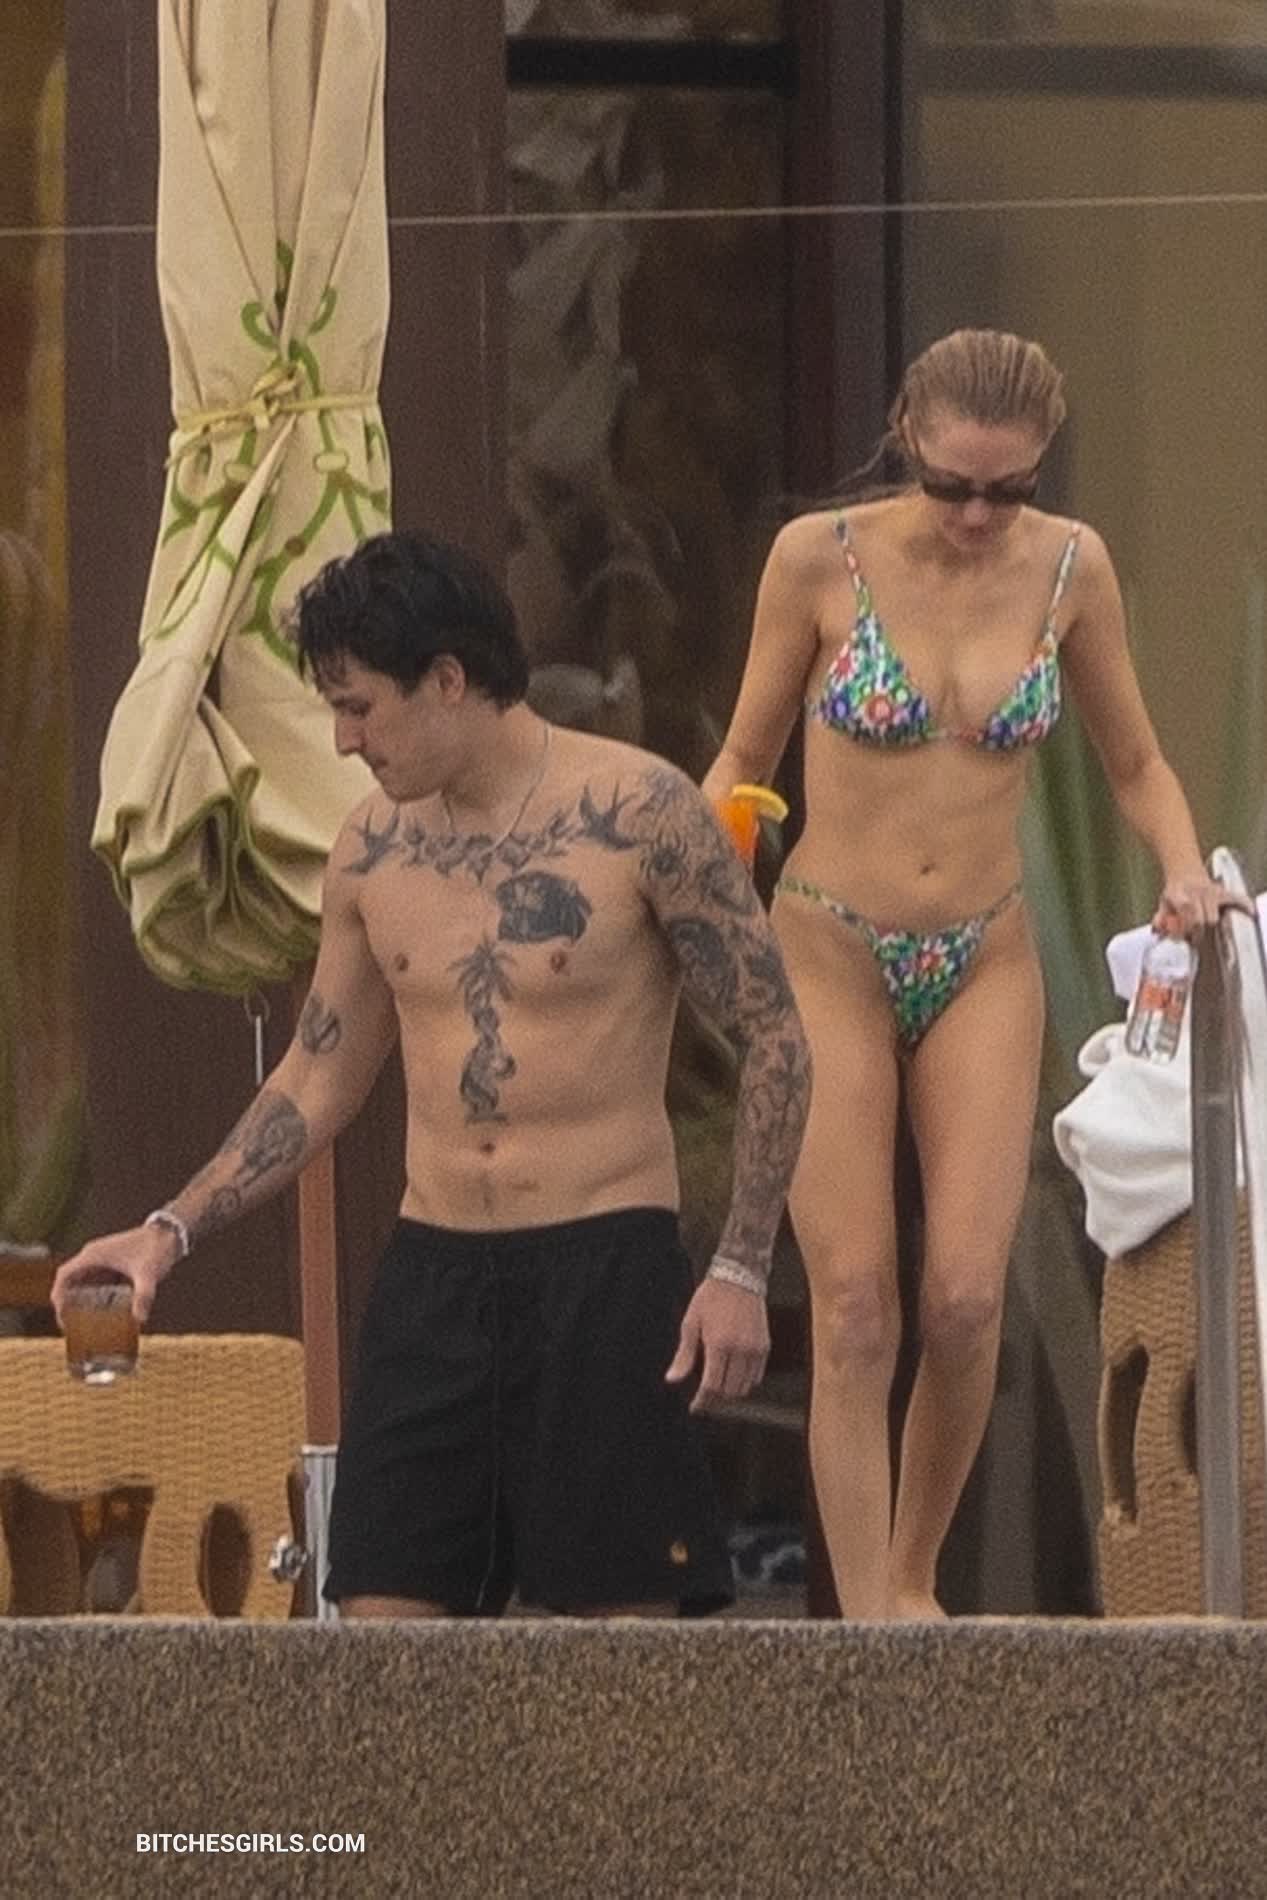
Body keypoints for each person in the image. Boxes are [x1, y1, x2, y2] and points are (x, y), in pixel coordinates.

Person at [53, 531, 812, 1619]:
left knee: (618, 1658)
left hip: (601, 1265)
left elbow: (774, 1033)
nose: (344, 738)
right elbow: (318, 1073)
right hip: (436, 1276)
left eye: (360, 707)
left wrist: (739, 1265)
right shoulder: (371, 848)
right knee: (381, 1623)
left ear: (448, 680)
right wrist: (166, 1230)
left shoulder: (639, 814)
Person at [702, 326, 1233, 1620]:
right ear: (906, 439)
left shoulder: (1069, 567)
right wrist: (707, 870)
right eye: (951, 485)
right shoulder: (816, 559)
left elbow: (1133, 763)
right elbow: (741, 760)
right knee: (852, 1303)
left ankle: (909, 1576)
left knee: (959, 1299)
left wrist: (1183, 868)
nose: (977, 514)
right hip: (828, 937)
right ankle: (865, 1623)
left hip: (980, 952)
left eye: (1008, 488)